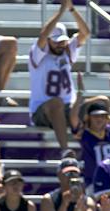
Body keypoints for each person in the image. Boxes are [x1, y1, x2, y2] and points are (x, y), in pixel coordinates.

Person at [29, 2, 88, 153]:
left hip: (69, 108)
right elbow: (43, 35)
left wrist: (72, 9)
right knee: (56, 103)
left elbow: (85, 33)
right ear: (49, 41)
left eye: (62, 41)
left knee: (101, 102)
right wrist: (62, 10)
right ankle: (65, 150)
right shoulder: (38, 55)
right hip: (42, 111)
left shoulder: (67, 52)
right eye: (56, 42)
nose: (60, 45)